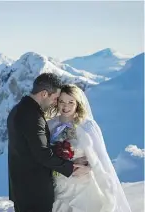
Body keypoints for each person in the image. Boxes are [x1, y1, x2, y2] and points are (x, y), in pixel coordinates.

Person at [7, 73, 89, 212]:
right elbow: (42, 154)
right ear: (44, 94)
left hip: (20, 186)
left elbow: (29, 147)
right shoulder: (33, 116)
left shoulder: (18, 108)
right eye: (56, 98)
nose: (56, 103)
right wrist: (72, 167)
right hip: (34, 191)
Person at [48, 84, 132, 212]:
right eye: (62, 101)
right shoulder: (50, 125)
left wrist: (90, 167)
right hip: (58, 185)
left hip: (83, 186)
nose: (66, 106)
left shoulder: (87, 126)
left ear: (78, 103)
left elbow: (100, 157)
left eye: (71, 102)